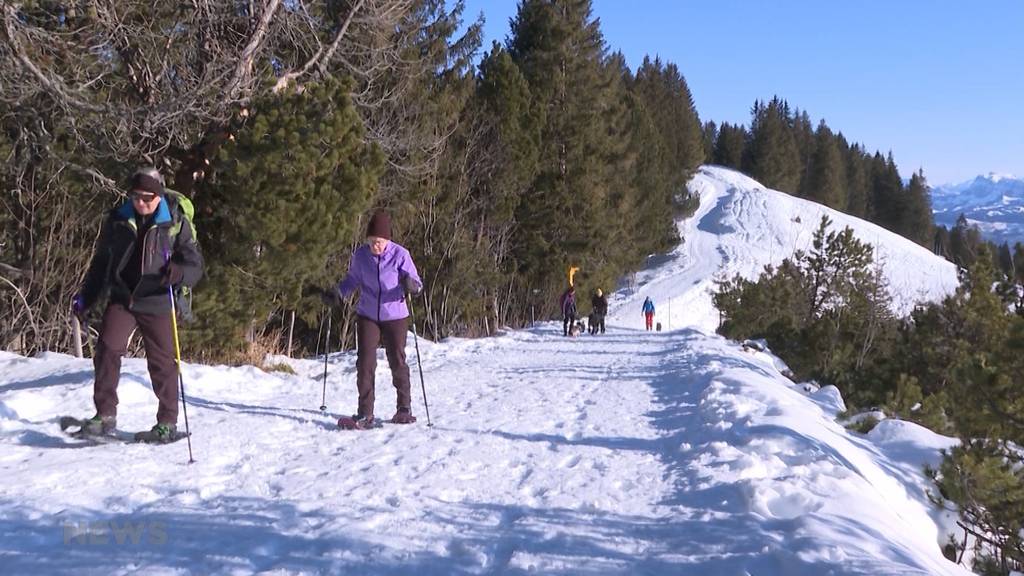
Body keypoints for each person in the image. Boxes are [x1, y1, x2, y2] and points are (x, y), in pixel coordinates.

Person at [72, 167, 204, 442]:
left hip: (157, 297)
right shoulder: (119, 220)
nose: (141, 202)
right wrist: (87, 297)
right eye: (136, 196)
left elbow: (196, 265)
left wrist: (179, 273)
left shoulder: (175, 221)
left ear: (158, 196)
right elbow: (101, 264)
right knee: (108, 348)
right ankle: (105, 414)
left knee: (163, 362)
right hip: (123, 296)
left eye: (147, 197)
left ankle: (167, 421)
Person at [324, 210, 423, 430]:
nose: (374, 246)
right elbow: (352, 280)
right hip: (368, 314)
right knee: (365, 363)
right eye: (371, 241)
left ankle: (404, 408)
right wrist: (338, 293)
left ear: (387, 240)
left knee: (397, 361)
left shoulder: (400, 255)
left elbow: (417, 283)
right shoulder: (361, 255)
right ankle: (365, 413)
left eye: (378, 242)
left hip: (395, 315)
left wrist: (411, 285)